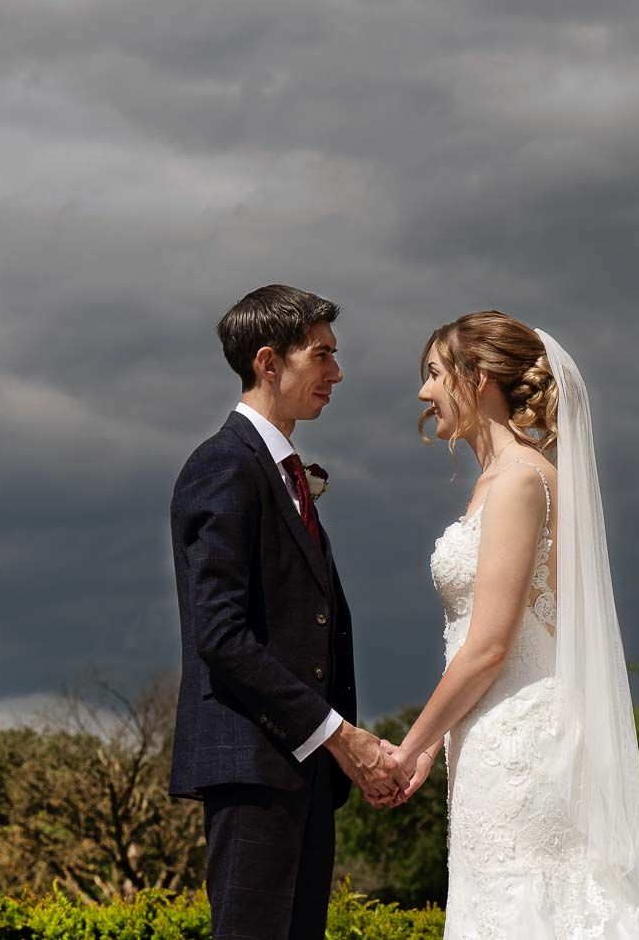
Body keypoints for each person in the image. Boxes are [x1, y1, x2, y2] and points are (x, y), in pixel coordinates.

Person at [386, 310, 639, 940]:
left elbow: (491, 644)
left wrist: (408, 748)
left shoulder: (520, 482)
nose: (423, 391)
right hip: (486, 736)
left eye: (435, 373)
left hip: (520, 743)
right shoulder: (496, 482)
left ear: (479, 378)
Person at [168, 284, 407, 940]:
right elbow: (222, 635)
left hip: (300, 772)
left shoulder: (285, 474)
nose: (337, 372)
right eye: (322, 355)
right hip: (252, 767)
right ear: (269, 362)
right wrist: (342, 735)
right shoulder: (223, 464)